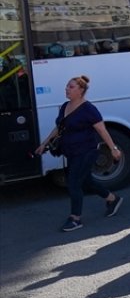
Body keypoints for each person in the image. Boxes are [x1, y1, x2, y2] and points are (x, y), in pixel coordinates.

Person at [35, 76, 124, 232]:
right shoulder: (65, 106)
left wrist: (113, 148)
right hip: (71, 151)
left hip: (86, 151)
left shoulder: (89, 109)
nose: (67, 89)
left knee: (74, 182)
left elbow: (102, 130)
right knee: (86, 181)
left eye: (71, 87)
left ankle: (75, 218)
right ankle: (112, 199)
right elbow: (59, 128)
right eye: (67, 86)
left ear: (81, 90)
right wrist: (44, 144)